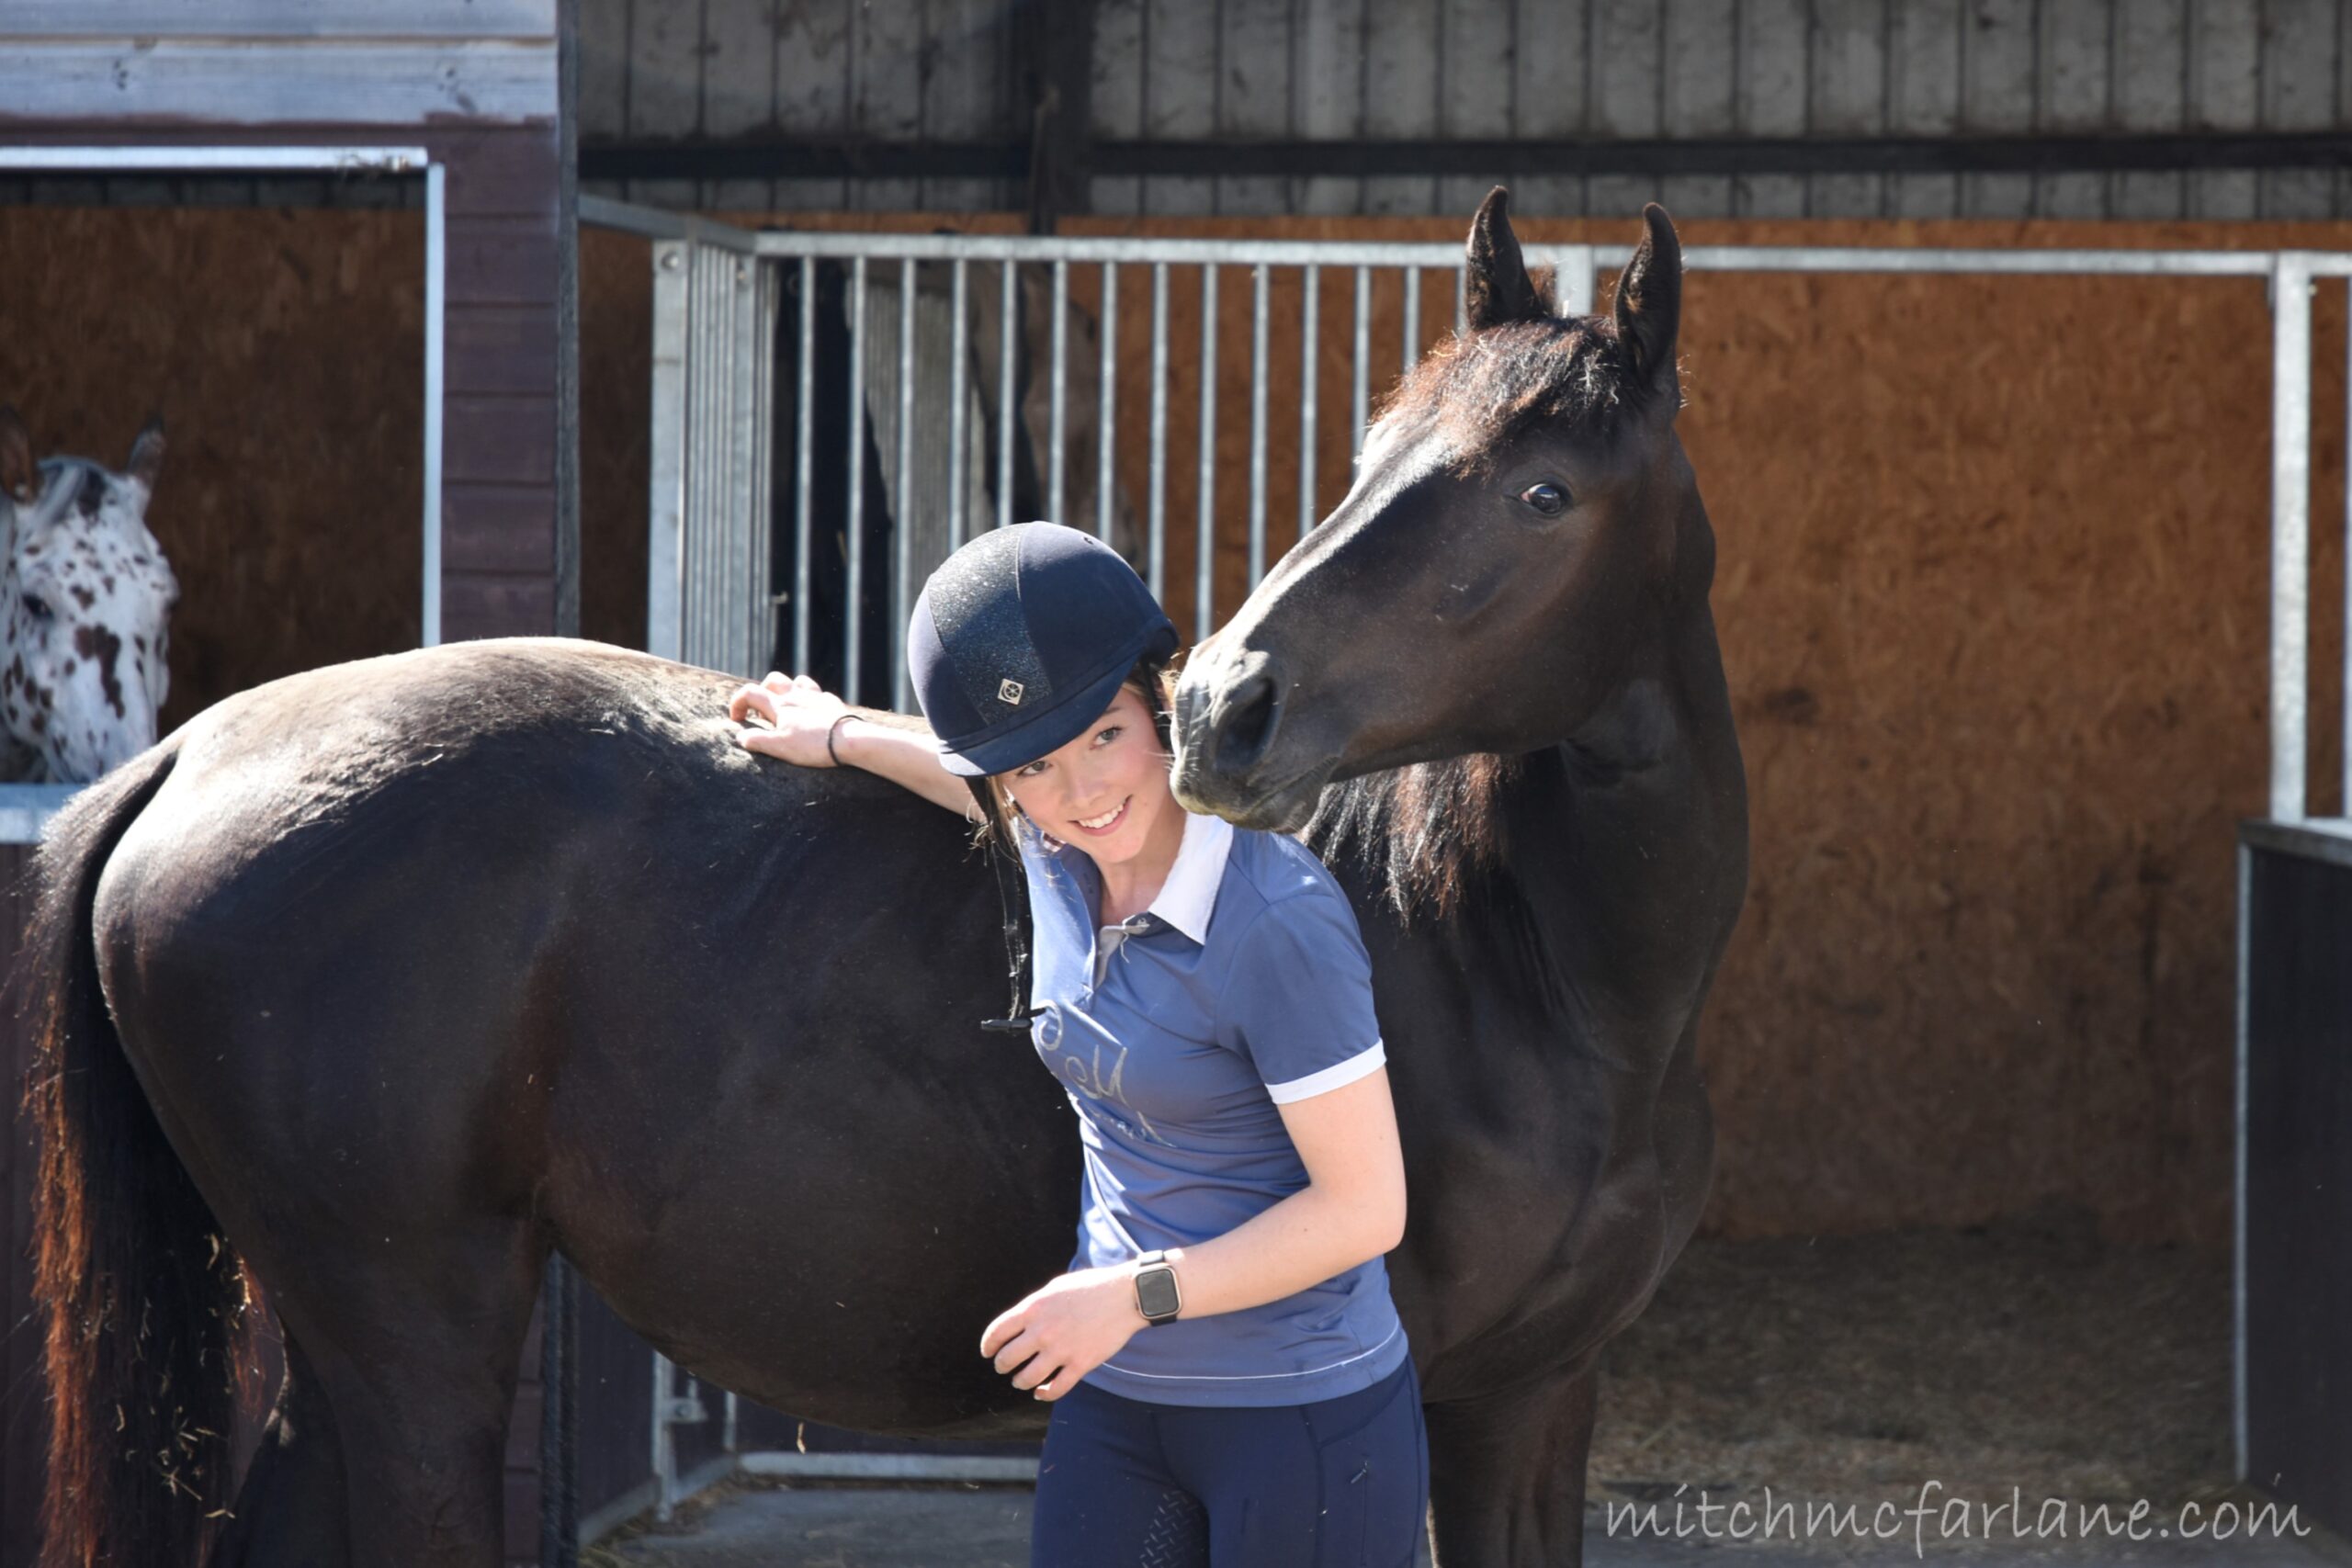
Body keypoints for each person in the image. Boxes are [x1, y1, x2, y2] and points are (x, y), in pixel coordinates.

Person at [726, 522, 1428, 1566]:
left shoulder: (1274, 920)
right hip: (1122, 1405)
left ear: (1159, 701)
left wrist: (1132, 1295)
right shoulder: (1054, 861)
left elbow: (1366, 1208)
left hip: (1302, 1417)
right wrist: (840, 734)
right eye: (1036, 769)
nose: (1086, 793)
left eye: (1106, 733)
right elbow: (968, 774)